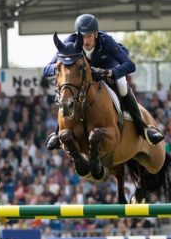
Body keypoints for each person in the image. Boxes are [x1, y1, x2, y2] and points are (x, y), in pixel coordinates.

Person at [43, 14, 164, 150]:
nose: (85, 41)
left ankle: (144, 128)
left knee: (122, 86)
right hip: (84, 74)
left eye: (89, 36)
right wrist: (61, 68)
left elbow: (130, 65)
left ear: (96, 34)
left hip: (107, 68)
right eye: (82, 36)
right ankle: (57, 132)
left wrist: (110, 73)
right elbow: (46, 69)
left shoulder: (106, 41)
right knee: (66, 92)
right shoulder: (69, 43)